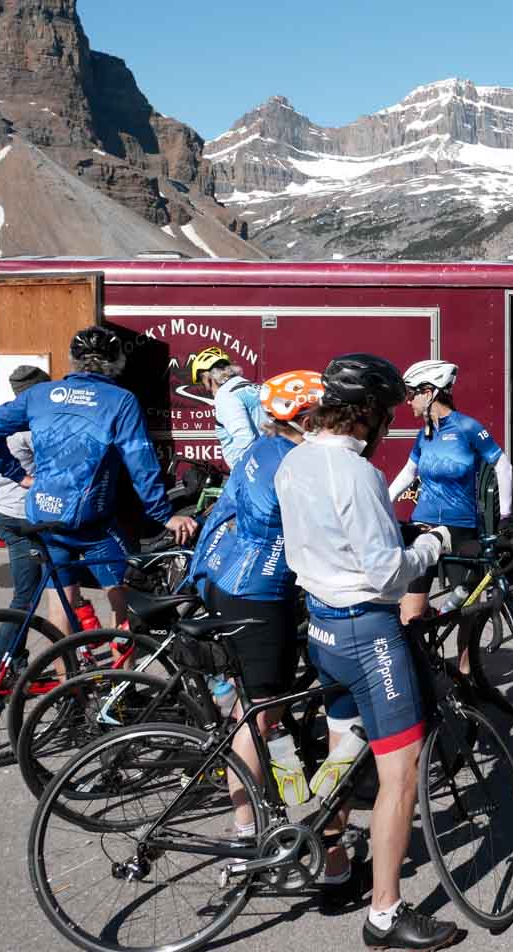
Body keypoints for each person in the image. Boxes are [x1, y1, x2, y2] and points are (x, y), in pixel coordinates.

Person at [274, 353, 458, 949]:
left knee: (343, 754)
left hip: (322, 627)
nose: (387, 430)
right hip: (367, 631)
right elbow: (386, 574)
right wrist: (431, 545)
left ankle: (335, 872)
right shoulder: (357, 473)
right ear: (368, 416)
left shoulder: (294, 459)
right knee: (400, 773)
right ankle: (385, 913)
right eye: (386, 418)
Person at [188, 369, 355, 881]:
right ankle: (244, 837)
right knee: (257, 717)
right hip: (258, 595)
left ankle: (277, 798)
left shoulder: (261, 449)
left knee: (265, 709)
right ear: (304, 418)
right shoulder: (295, 463)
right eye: (323, 414)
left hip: (225, 576)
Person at [0, 327, 197, 642]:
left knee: (60, 605)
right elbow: (141, 462)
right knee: (124, 602)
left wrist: (18, 475)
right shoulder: (120, 400)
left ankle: (68, 674)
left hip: (44, 516)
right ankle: (122, 672)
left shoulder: (40, 394)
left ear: (73, 360)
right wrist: (164, 515)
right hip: (92, 523)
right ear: (117, 362)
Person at [387, 360, 513, 650]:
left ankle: (465, 670)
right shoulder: (425, 433)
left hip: (461, 529)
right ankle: (423, 667)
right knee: (410, 615)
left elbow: (502, 465)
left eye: (412, 394)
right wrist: (382, 501)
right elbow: (409, 473)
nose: (408, 401)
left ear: (429, 392)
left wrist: (505, 515)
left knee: (466, 612)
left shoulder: (468, 427)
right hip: (423, 526)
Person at [0, 366, 99, 667]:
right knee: (28, 595)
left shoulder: (5, 415)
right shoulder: (32, 425)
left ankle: (36, 656)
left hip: (6, 513)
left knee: (56, 581)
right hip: (25, 517)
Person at [188, 345, 265, 468]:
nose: (206, 389)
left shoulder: (226, 395)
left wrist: (239, 473)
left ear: (207, 376)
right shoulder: (249, 385)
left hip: (255, 466)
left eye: (202, 381)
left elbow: (244, 438)